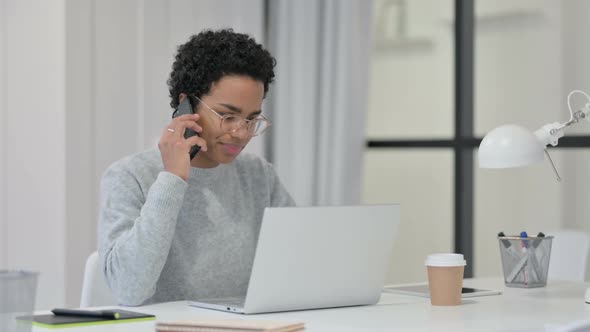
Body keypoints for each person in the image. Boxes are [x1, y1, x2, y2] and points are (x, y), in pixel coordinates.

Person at [98, 29, 295, 306]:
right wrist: (172, 179)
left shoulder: (259, 176)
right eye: (227, 116)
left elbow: (298, 264)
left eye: (252, 119)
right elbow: (128, 289)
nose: (241, 133)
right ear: (186, 104)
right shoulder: (130, 176)